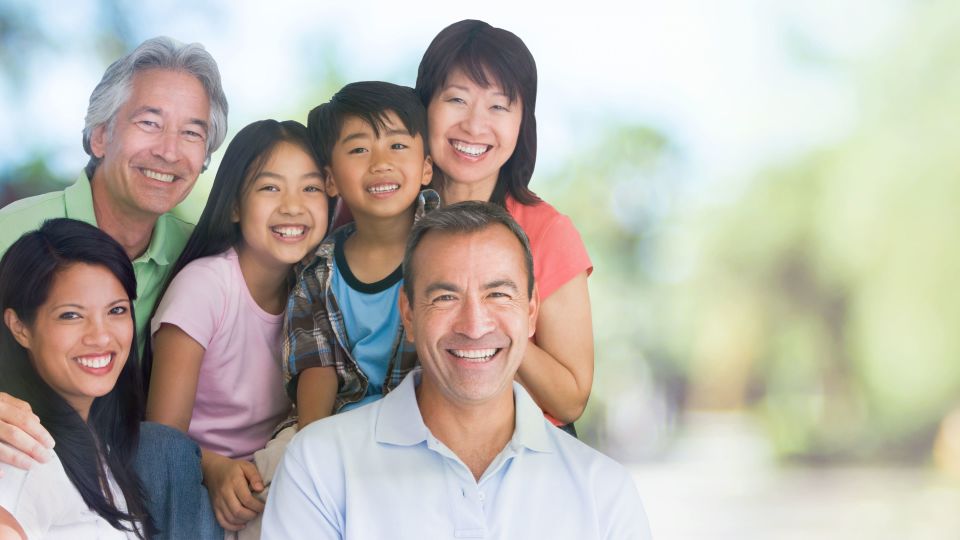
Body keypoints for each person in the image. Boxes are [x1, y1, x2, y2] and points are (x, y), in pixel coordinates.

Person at [261, 202, 651, 539]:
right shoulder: (319, 465)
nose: (474, 324)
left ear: (531, 313)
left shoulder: (603, 492)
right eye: (446, 296)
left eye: (498, 294)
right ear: (409, 314)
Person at [0, 36, 229, 540]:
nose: (169, 151)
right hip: (21, 461)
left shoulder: (199, 262)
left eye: (192, 133)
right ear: (100, 136)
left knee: (163, 449)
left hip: (121, 474)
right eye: (149, 123)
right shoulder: (12, 233)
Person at [145, 119, 330, 535]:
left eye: (311, 187)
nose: (292, 206)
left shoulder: (319, 292)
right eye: (270, 188)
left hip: (264, 480)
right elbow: (163, 439)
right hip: (188, 485)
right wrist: (214, 468)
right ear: (234, 205)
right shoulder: (205, 285)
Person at [411, 20, 594, 432]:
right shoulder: (378, 216)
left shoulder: (548, 231)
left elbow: (570, 399)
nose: (475, 126)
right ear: (424, 106)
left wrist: (494, 321)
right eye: (456, 99)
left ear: (521, 122)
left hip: (518, 457)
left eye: (498, 106)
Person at [283, 81, 436, 428]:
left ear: (426, 168)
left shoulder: (447, 246)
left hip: (429, 426)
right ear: (331, 179)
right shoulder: (317, 273)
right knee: (273, 467)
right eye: (359, 150)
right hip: (342, 431)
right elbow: (316, 369)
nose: (381, 163)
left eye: (397, 145)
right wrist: (313, 445)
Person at [0, 218, 153, 539]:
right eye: (71, 315)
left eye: (116, 311)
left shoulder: (100, 441)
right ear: (20, 327)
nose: (100, 336)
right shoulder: (22, 456)